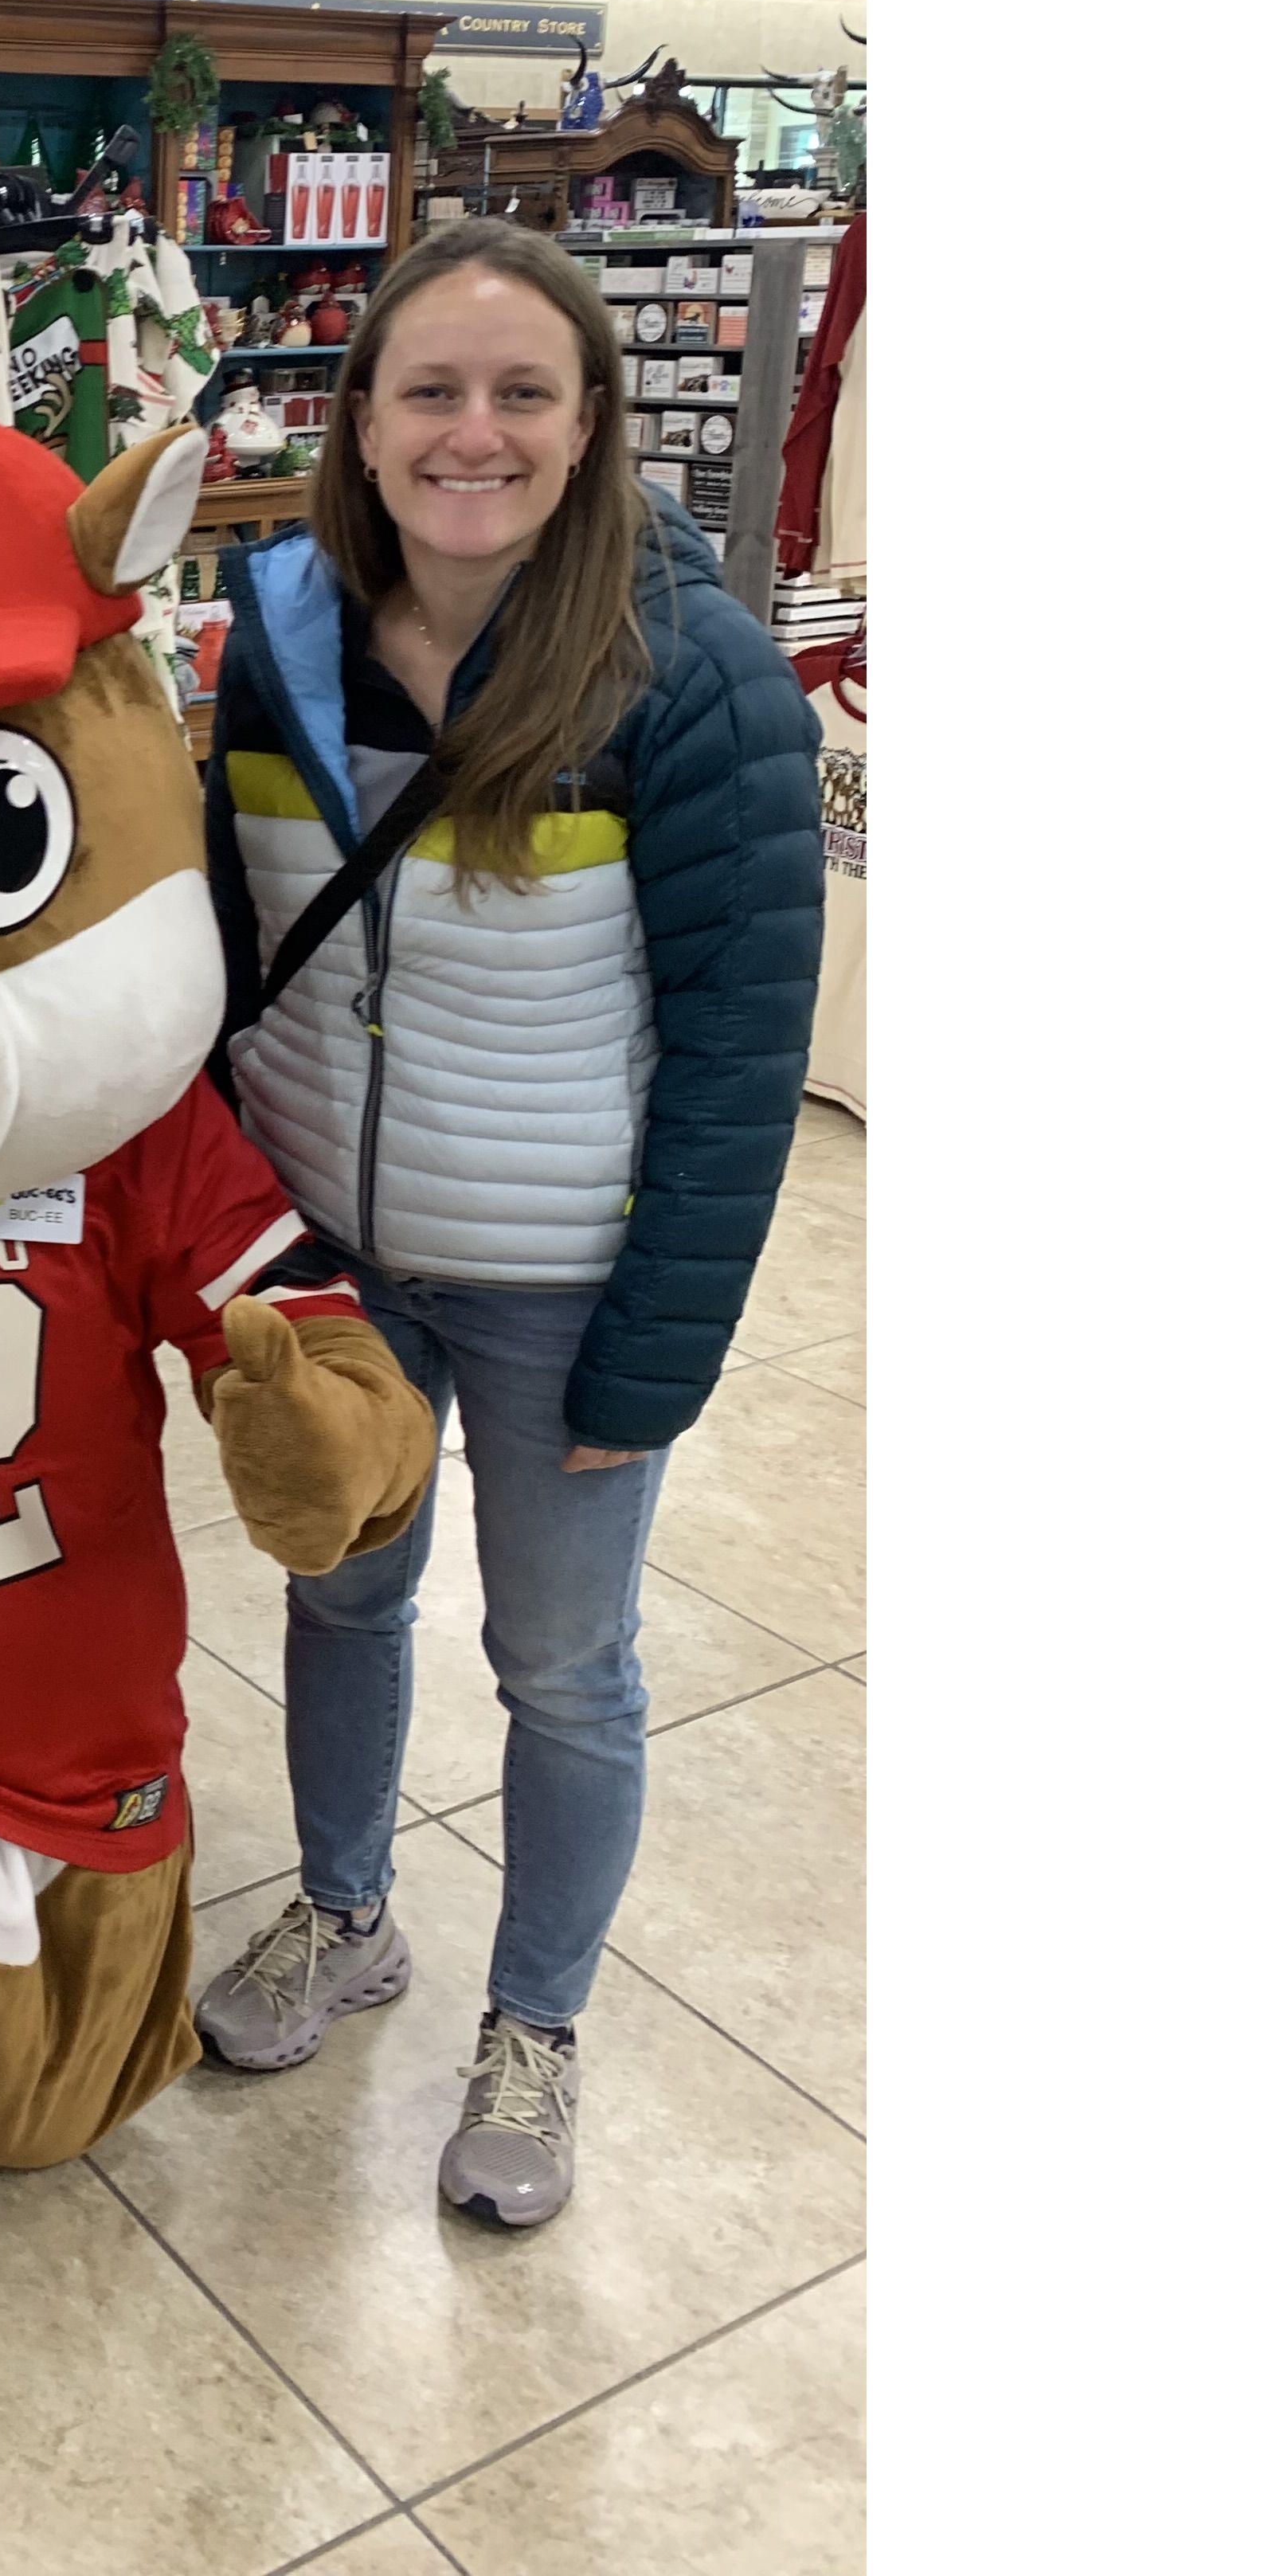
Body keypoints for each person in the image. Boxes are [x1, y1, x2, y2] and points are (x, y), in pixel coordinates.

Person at [193, 217, 822, 2228]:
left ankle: (536, 2024)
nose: (476, 431)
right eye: (432, 390)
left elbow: (740, 1052)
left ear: (589, 423)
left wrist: (661, 1350)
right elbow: (220, 946)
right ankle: (346, 1911)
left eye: (521, 393)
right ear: (360, 420)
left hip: (565, 1269)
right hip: (333, 1265)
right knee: (341, 1599)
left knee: (564, 1667)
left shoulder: (691, 675)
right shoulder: (266, 636)